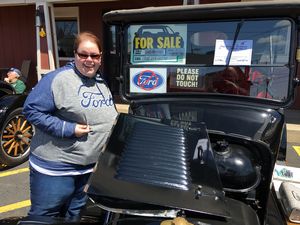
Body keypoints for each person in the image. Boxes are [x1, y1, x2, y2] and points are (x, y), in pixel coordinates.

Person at [23, 31, 118, 221]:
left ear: (101, 57)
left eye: (94, 55)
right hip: (56, 169)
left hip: (88, 169)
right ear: (75, 54)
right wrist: (68, 129)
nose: (89, 60)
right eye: (83, 54)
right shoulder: (57, 79)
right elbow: (31, 110)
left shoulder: (101, 80)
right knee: (44, 217)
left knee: (74, 215)